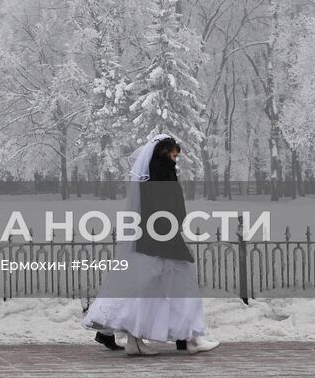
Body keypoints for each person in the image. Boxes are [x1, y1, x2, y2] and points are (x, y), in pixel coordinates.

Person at [82, 135, 219, 356]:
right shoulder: (163, 172)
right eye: (175, 152)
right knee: (181, 286)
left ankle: (135, 340)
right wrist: (173, 226)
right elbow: (166, 206)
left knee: (145, 287)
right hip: (164, 237)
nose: (177, 157)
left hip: (150, 237)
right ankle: (193, 338)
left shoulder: (150, 174)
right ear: (165, 152)